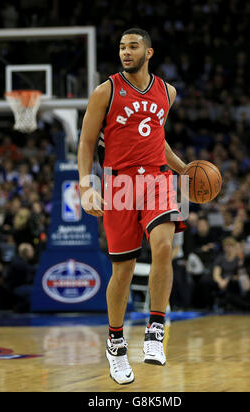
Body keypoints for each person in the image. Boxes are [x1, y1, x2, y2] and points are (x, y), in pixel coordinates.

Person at [77, 28, 187, 385]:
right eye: (122, 47)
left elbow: (156, 136)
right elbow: (87, 142)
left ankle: (156, 329)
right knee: (122, 271)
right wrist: (85, 187)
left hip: (156, 179)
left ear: (149, 51)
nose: (126, 52)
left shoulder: (167, 92)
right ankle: (116, 343)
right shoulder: (105, 91)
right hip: (119, 183)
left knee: (164, 247)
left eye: (133, 46)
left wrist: (181, 168)